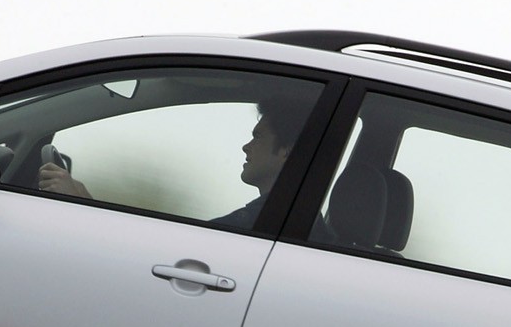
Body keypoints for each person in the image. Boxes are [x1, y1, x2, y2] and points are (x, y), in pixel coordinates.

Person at [35, 92, 312, 229]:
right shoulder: (283, 220)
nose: (245, 146)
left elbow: (181, 252)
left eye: (258, 137)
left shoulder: (264, 222)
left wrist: (86, 208)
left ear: (286, 150)